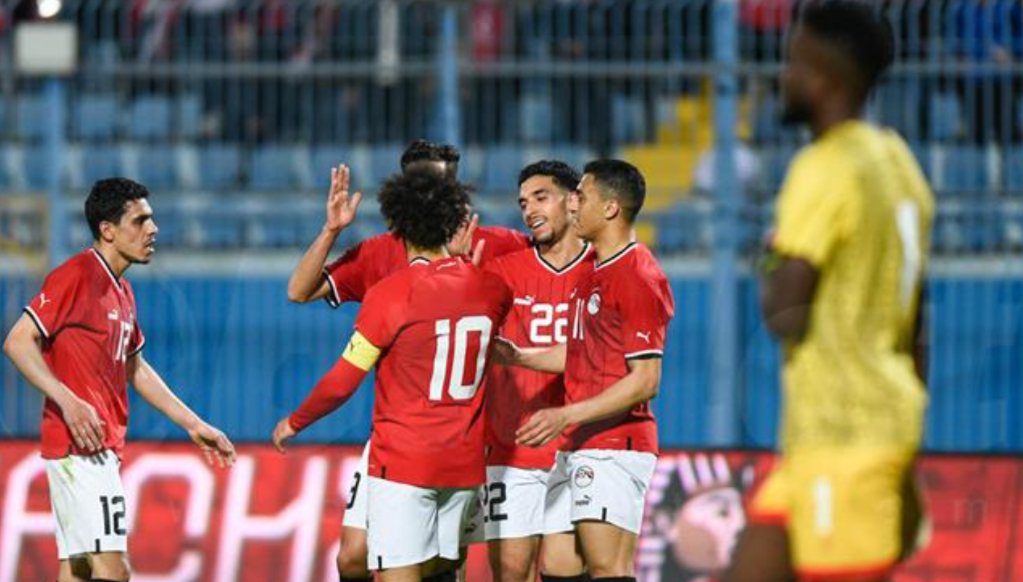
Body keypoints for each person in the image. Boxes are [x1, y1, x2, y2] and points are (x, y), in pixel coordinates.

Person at [726, 2, 934, 581]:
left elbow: (785, 314)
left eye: (793, 62)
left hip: (844, 441)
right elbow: (918, 321)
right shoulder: (899, 165)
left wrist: (770, 254)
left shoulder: (824, 167)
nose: (784, 76)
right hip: (852, 430)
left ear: (823, 76)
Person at [285, 139, 530, 582]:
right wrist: (331, 230)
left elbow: (553, 263)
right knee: (353, 558)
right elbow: (299, 291)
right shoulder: (378, 253)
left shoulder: (494, 245)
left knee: (437, 564)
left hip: (456, 434)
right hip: (397, 438)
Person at [3, 178, 236, 582]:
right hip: (81, 446)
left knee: (78, 569)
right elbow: (18, 341)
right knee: (114, 569)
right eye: (140, 220)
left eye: (151, 219)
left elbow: (135, 368)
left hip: (98, 445)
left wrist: (194, 424)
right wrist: (68, 400)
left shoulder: (123, 291)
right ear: (107, 230)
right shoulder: (76, 275)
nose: (153, 229)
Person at [498, 159, 676, 582]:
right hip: (580, 442)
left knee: (608, 568)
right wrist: (519, 357)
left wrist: (565, 414)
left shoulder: (637, 276)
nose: (574, 204)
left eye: (582, 195)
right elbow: (581, 353)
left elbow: (645, 380)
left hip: (614, 444)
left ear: (611, 208)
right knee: (558, 565)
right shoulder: (594, 272)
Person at [482, 161, 592, 582]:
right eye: (523, 203)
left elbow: (603, 355)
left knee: (565, 568)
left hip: (578, 449)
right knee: (511, 571)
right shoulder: (501, 271)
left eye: (541, 197)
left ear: (572, 200)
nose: (529, 210)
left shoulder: (602, 271)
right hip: (511, 449)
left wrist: (520, 356)